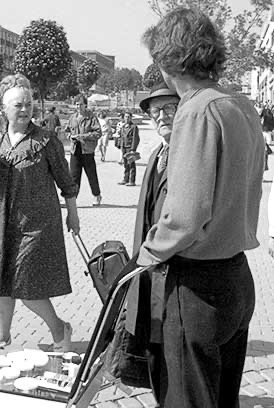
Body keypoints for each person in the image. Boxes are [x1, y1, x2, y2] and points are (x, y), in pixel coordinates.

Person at [137, 8, 265, 408]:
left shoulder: (197, 109)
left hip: (198, 286)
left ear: (167, 59)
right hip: (237, 278)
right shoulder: (240, 104)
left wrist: (146, 255)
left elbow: (186, 217)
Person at [0, 73, 80, 352]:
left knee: (26, 285)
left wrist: (73, 214)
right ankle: (3, 336)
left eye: (28, 104)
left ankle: (60, 328)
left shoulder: (46, 141)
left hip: (37, 224)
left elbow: (65, 181)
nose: (24, 110)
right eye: (18, 106)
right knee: (1, 281)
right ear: (5, 110)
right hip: (0, 221)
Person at [123, 67, 180, 403]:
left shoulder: (188, 154)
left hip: (175, 276)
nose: (160, 116)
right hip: (150, 274)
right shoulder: (157, 153)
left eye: (169, 109)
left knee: (173, 357)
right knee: (155, 351)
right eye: (155, 111)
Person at [66, 94, 102, 206]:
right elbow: (67, 130)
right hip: (75, 150)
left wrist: (83, 136)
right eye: (76, 104)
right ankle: (72, 199)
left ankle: (97, 195)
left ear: (85, 105)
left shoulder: (91, 118)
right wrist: (69, 136)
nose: (78, 107)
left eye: (81, 104)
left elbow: (98, 133)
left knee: (91, 174)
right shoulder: (72, 117)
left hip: (87, 150)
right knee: (73, 176)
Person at [117, 111, 140, 186]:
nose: (127, 118)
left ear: (131, 118)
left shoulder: (134, 127)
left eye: (128, 117)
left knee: (131, 164)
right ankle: (125, 179)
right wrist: (120, 145)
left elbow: (135, 138)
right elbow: (122, 137)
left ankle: (132, 180)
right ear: (124, 118)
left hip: (130, 147)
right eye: (126, 117)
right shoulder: (123, 126)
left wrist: (133, 149)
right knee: (125, 164)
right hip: (124, 147)